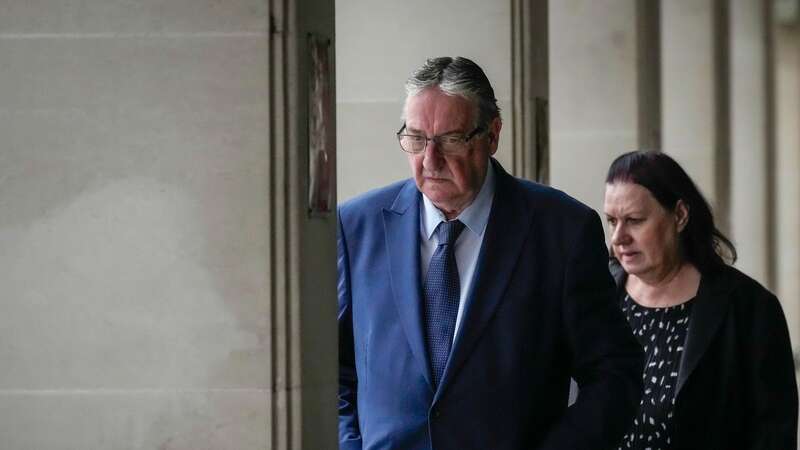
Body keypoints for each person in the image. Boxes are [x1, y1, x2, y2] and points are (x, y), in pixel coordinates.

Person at [337, 56, 643, 450]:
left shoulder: (562, 231)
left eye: (450, 139)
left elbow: (614, 371)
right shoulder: (357, 226)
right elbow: (333, 370)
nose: (430, 160)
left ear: (492, 135)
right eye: (415, 139)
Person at [603, 150, 798, 449]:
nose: (618, 237)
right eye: (612, 221)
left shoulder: (749, 308)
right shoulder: (596, 293)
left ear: (680, 215)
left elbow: (773, 434)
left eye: (634, 220)